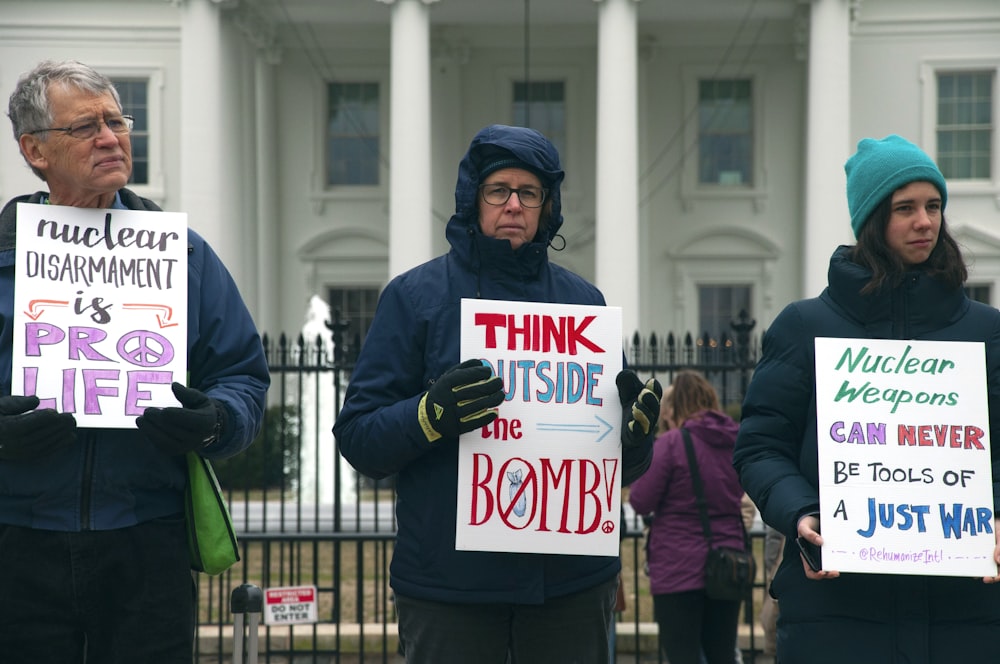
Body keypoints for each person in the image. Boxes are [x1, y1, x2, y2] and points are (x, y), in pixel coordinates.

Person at [334, 124, 661, 664]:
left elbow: (618, 469)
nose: (513, 204)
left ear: (546, 208)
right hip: (450, 591)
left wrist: (636, 439)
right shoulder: (415, 298)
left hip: (571, 589)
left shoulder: (585, 303)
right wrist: (428, 416)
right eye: (498, 190)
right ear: (473, 199)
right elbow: (358, 437)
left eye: (528, 193)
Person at [0, 60, 269, 663]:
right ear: (35, 150)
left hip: (148, 541)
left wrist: (216, 421)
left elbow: (243, 376)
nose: (110, 138)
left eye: (117, 121)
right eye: (85, 127)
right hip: (17, 540)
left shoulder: (186, 255)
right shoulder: (2, 257)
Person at [733, 134, 1000, 664]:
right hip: (836, 614)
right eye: (905, 208)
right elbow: (760, 447)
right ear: (872, 221)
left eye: (933, 206)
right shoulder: (805, 326)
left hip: (965, 613)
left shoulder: (987, 331)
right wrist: (802, 513)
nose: (925, 221)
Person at [627, 370, 744, 664]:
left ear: (674, 407)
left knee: (682, 655)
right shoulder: (736, 441)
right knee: (723, 654)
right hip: (730, 564)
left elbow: (640, 500)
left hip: (678, 569)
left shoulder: (671, 444)